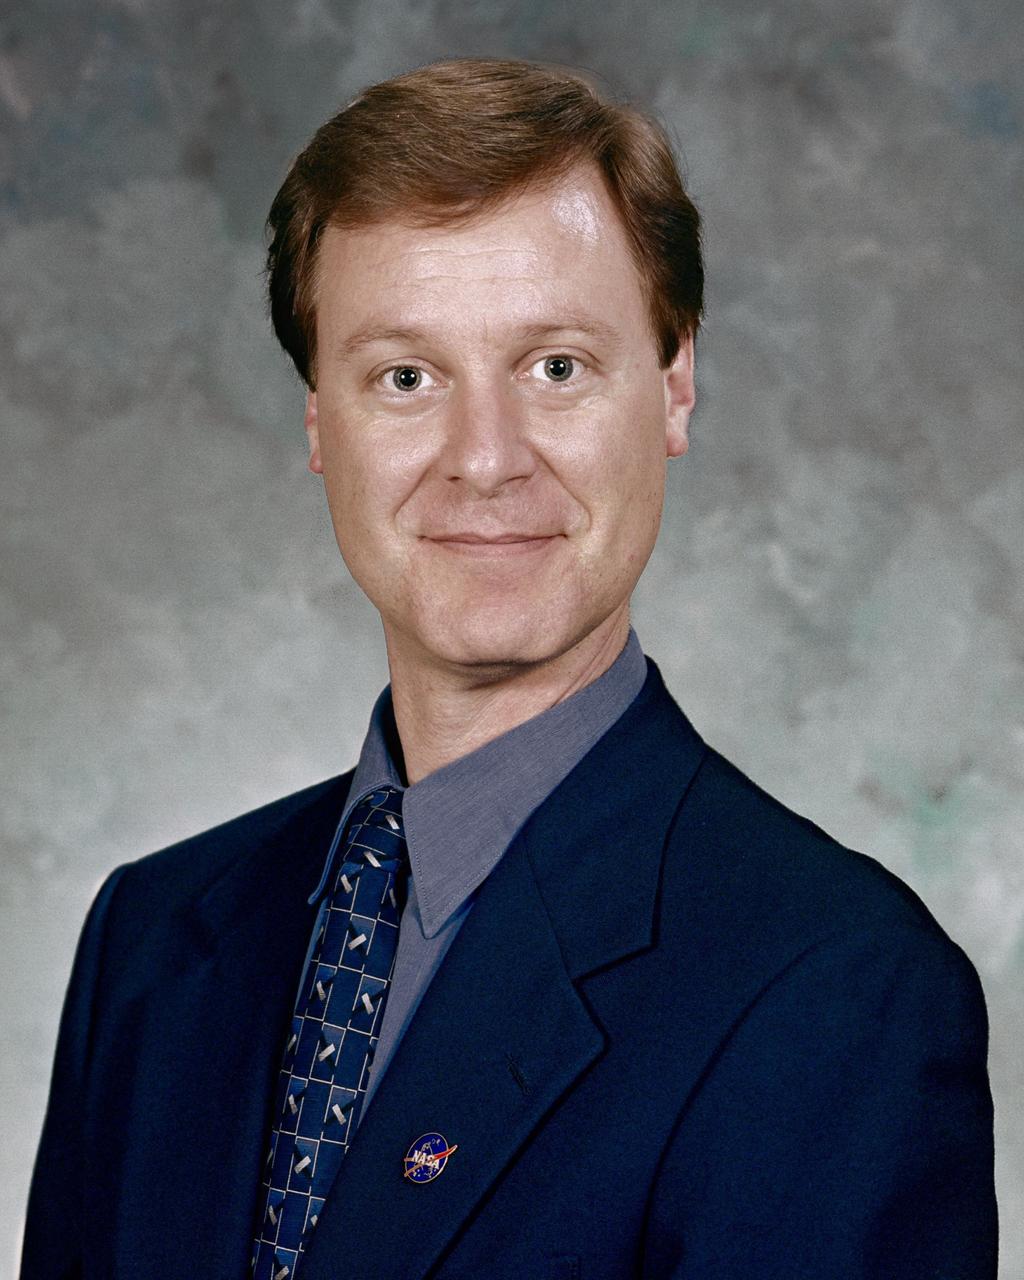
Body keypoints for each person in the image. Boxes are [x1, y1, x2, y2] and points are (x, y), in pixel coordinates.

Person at [22, 57, 996, 1280]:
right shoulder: (154, 940)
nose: (484, 460)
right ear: (320, 423)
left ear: (674, 385)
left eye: (555, 367)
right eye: (406, 377)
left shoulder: (836, 992)